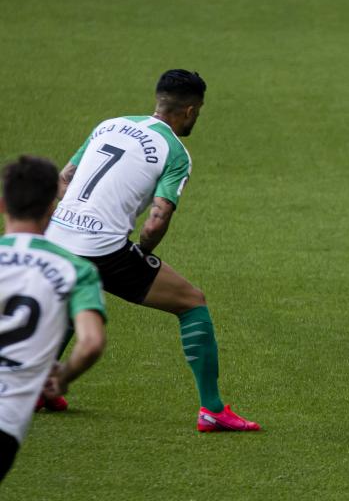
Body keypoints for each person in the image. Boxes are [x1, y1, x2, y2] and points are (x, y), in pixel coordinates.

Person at [45, 69, 260, 432]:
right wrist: (140, 252)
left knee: (78, 292)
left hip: (57, 234)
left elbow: (63, 179)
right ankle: (212, 409)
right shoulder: (175, 151)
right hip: (103, 249)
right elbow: (156, 220)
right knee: (192, 302)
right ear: (191, 111)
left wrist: (79, 219)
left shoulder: (109, 125)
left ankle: (38, 389)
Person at [0, 156, 106, 483]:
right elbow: (90, 343)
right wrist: (63, 378)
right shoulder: (77, 269)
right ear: (52, 206)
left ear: (3, 204)